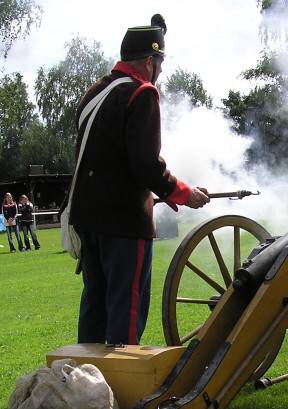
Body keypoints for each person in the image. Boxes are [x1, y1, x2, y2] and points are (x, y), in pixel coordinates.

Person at [67, 14, 209, 345]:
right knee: (125, 313)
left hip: (88, 219)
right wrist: (183, 193)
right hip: (125, 223)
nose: (160, 71)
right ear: (149, 62)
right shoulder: (142, 93)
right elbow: (146, 165)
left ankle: (84, 376)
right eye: (160, 64)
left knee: (94, 307)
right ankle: (122, 376)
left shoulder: (94, 94)